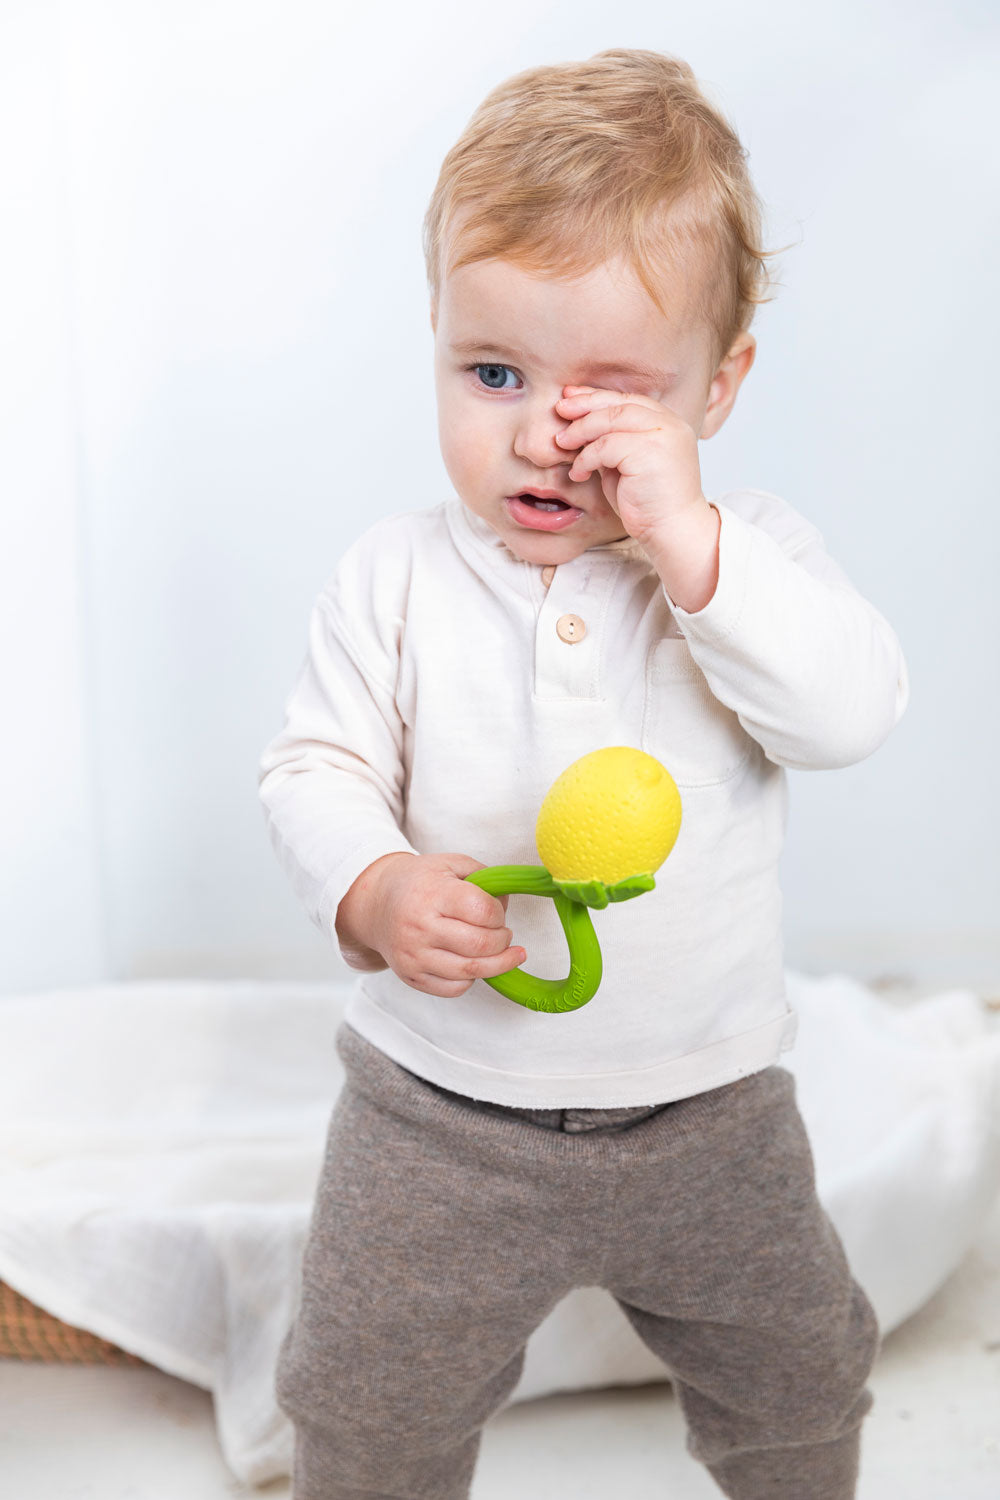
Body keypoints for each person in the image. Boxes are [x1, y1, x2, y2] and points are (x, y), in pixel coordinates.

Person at [258, 47, 908, 1500]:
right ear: (435, 340)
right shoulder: (398, 577)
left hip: (711, 1109)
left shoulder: (751, 564)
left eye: (615, 392)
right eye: (495, 372)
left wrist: (692, 551)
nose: (545, 432)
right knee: (365, 1394)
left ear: (717, 390)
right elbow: (315, 763)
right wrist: (372, 885)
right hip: (438, 1115)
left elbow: (850, 710)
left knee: (798, 1374)